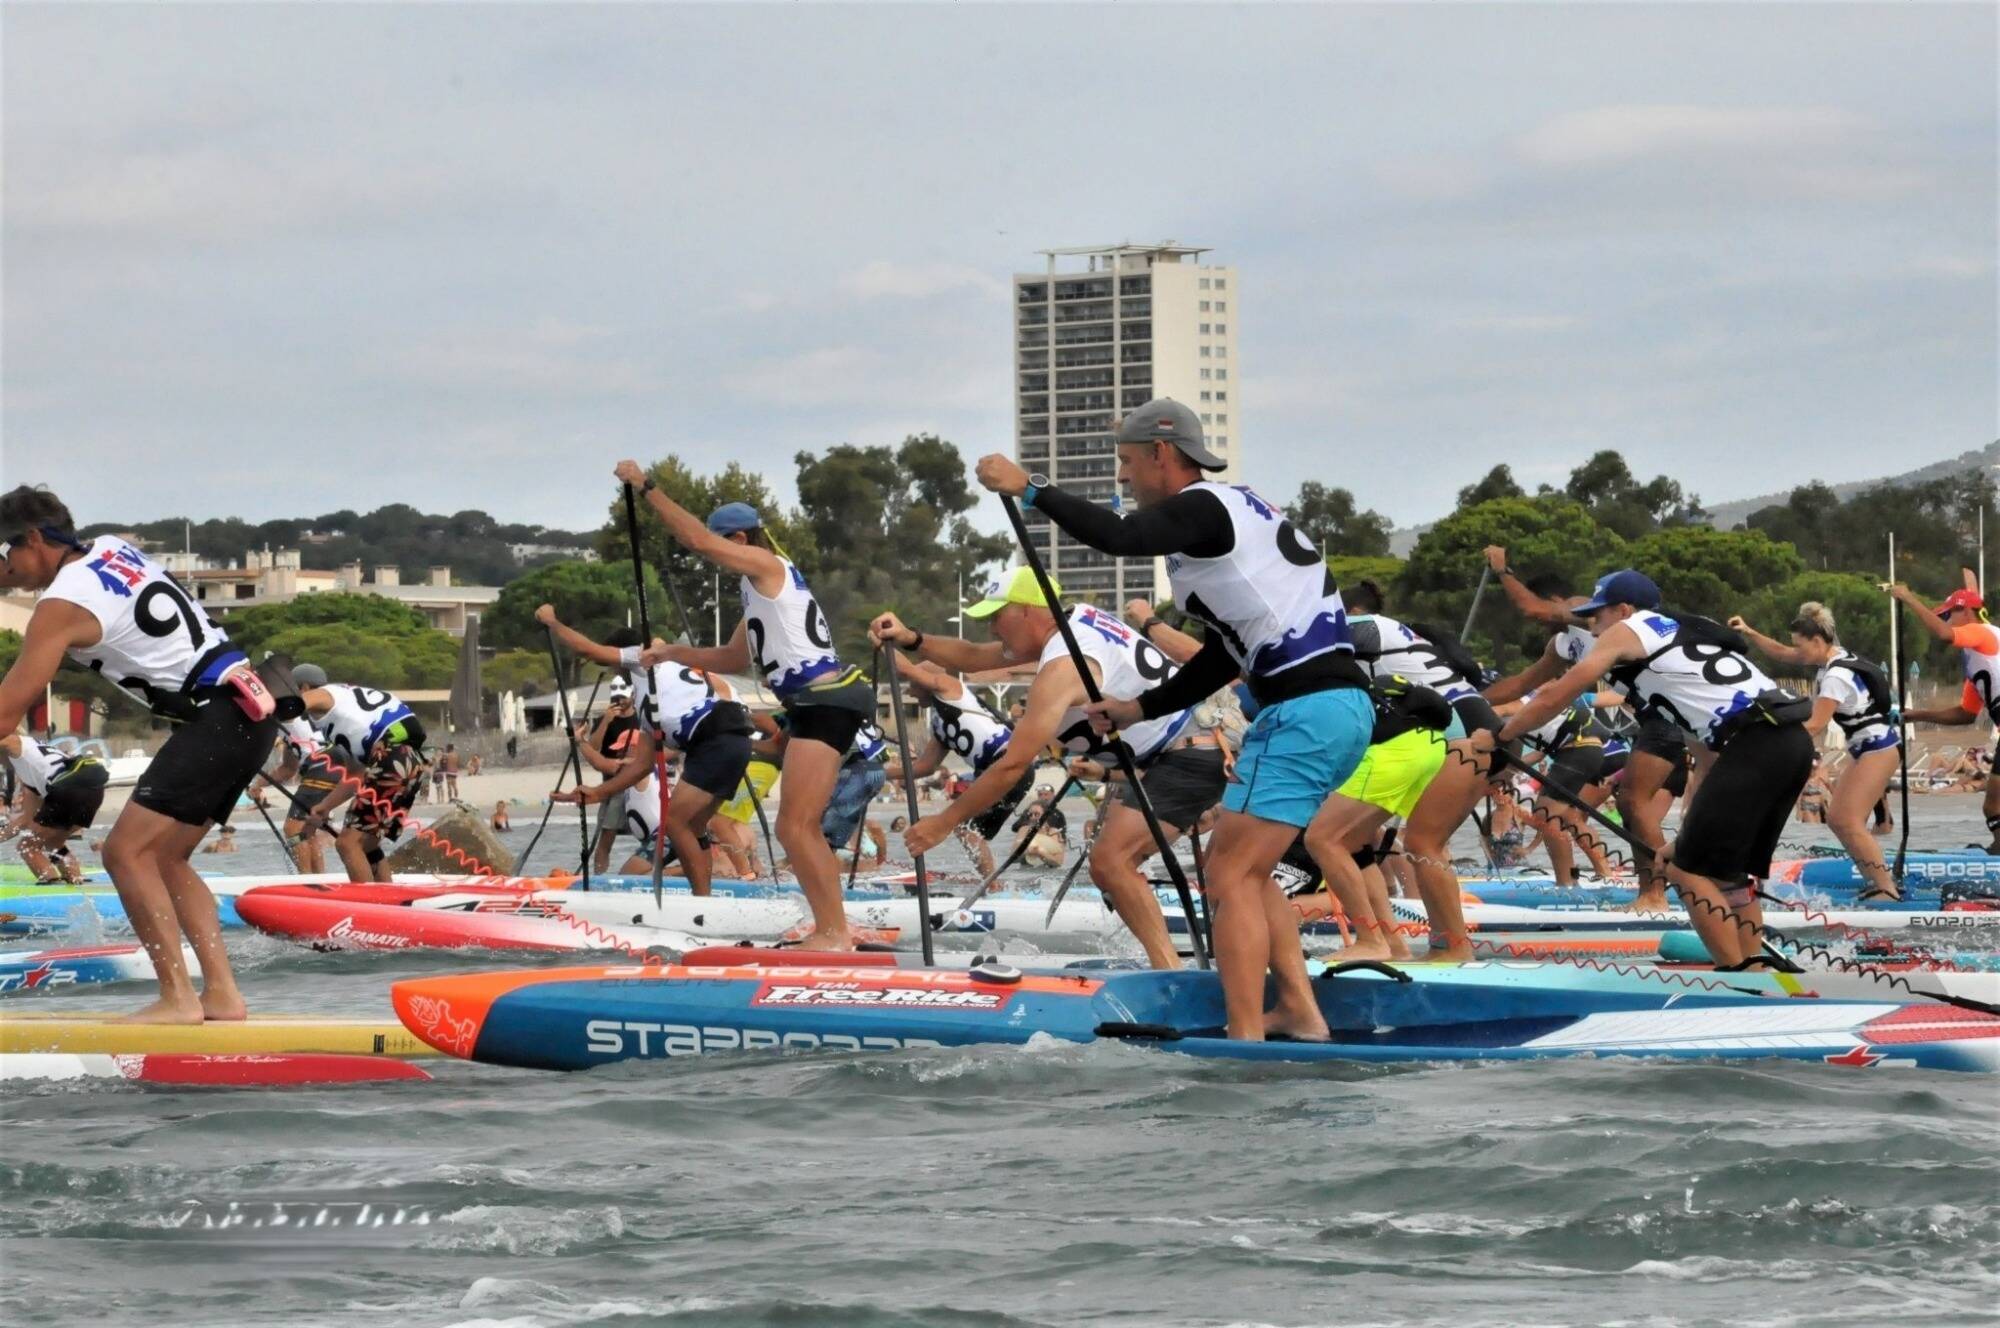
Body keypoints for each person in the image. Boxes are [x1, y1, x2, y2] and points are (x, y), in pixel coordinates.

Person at [974, 398, 1376, 1041]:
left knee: (1228, 874)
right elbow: (1224, 652)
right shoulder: (1225, 528)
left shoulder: (1205, 506)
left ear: (1163, 454)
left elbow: (1120, 537)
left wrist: (1031, 489)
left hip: (1309, 708)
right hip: (1322, 708)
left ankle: (1244, 1031)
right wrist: (1140, 707)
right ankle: (1298, 1011)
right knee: (1243, 867)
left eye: (1128, 463)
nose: (1124, 478)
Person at [0, 486, 274, 1022]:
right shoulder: (110, 548)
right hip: (251, 711)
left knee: (124, 854)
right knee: (166, 858)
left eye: (5, 551)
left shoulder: (60, 607)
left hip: (217, 718)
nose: (4, 565)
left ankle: (178, 999)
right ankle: (220, 994)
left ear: (33, 538)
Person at [870, 567, 1220, 972]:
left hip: (1187, 751)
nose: (991, 627)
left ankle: (1170, 973)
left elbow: (1014, 764)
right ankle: (1178, 964)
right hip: (1181, 748)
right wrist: (912, 639)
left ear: (1027, 612)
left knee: (1110, 862)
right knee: (1115, 863)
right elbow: (973, 655)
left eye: (996, 617)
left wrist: (943, 823)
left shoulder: (1063, 667)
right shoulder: (1075, 620)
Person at [1491, 570, 1815, 968]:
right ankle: (1758, 968)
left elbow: (1563, 690)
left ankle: (1740, 975)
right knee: (1729, 874)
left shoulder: (1631, 628)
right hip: (1790, 743)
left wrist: (1499, 736)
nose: (1594, 627)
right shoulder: (1677, 641)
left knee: (1685, 872)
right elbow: (1707, 753)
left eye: (1598, 616)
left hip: (1757, 744)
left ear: (1624, 609)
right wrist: (1687, 835)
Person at [616, 464, 873, 945]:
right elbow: (732, 656)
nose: (718, 559)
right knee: (798, 827)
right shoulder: (761, 588)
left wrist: (647, 488)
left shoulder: (769, 565)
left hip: (825, 701)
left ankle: (834, 931)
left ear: (739, 538)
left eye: (725, 547)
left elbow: (698, 542)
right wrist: (670, 652)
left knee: (795, 827)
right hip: (816, 705)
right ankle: (836, 925)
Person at [1482, 548, 1689, 909]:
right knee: (1629, 805)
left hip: (1679, 713)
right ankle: (1662, 891)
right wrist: (1465, 699)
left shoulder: (1589, 610)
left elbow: (1532, 609)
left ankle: (1659, 895)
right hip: (1658, 720)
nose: (1537, 621)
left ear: (1559, 601)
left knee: (1633, 803)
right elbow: (1518, 685)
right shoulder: (1563, 643)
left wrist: (1502, 571)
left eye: (1547, 610)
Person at [538, 604, 754, 897]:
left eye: (615, 661)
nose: (615, 669)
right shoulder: (650, 696)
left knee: (675, 823)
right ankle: (705, 896)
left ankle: (703, 901)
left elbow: (589, 651)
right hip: (731, 739)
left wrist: (552, 622)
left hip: (716, 736)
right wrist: (599, 793)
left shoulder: (644, 660)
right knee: (695, 825)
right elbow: (641, 765)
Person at [1731, 602, 1902, 898]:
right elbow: (1781, 652)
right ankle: (1875, 881)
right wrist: (1749, 632)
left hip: (1879, 747)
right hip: (1866, 747)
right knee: (1837, 819)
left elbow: (1814, 725)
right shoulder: (1834, 655)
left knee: (1848, 820)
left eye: (1802, 646)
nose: (1798, 653)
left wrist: (1766, 738)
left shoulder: (1835, 677)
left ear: (1817, 641)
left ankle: (1886, 889)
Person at [881, 652, 1034, 877]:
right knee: (968, 830)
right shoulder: (939, 723)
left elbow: (906, 668)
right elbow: (924, 767)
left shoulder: (951, 688)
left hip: (1007, 766)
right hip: (994, 773)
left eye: (914, 685)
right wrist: (879, 773)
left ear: (926, 682)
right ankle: (991, 885)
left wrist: (883, 642)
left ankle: (991, 885)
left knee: (965, 829)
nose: (909, 691)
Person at [1887, 579, 2000, 853]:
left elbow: (1944, 635)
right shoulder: (1975, 661)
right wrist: (1915, 715)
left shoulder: (1983, 633)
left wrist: (1909, 598)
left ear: (1966, 612)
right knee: (1992, 806)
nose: (1947, 620)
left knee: (1993, 805)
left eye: (1950, 614)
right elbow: (1965, 714)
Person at [293, 672, 430, 882]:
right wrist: (326, 806)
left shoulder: (324, 693)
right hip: (410, 763)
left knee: (347, 843)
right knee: (367, 845)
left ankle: (371, 907)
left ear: (303, 687)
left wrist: (267, 707)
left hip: (390, 756)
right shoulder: (346, 714)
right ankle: (388, 905)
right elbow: (355, 774)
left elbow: (299, 702)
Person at [253, 693, 348, 875]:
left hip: (323, 763)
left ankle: (306, 880)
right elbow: (288, 769)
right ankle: (319, 880)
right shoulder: (290, 729)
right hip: (332, 766)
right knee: (307, 831)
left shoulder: (288, 713)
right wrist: (257, 785)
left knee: (293, 828)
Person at [0, 734, 108, 883]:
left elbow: (4, 732)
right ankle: (75, 878)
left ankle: (51, 881)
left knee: (27, 845)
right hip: (94, 791)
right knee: (53, 842)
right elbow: (24, 820)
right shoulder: (31, 775)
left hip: (71, 786)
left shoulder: (18, 744)